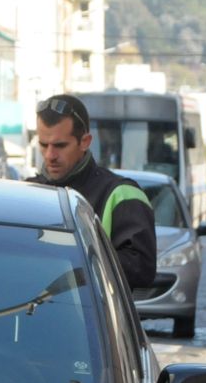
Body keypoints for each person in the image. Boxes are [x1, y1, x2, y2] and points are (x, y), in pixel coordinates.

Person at [29, 93, 156, 289]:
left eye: (60, 145)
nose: (50, 155)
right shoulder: (26, 192)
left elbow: (141, 269)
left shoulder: (122, 194)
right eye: (43, 145)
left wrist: (66, 260)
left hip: (95, 318)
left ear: (85, 141)